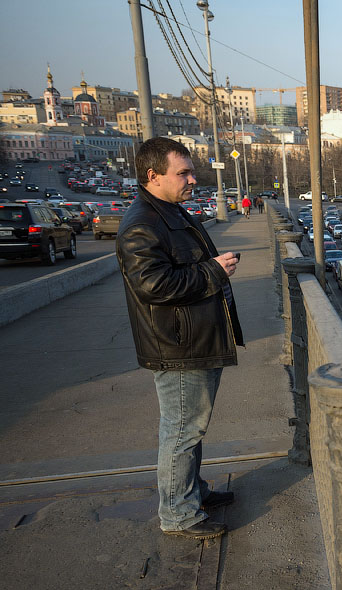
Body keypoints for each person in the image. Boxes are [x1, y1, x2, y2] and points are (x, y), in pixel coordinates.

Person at [116, 137, 243, 539]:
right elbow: (153, 285)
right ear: (153, 176)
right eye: (183, 173)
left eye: (191, 171)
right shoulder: (142, 224)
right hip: (178, 346)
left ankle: (192, 492)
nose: (193, 179)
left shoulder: (167, 212)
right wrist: (214, 272)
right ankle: (178, 514)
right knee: (181, 432)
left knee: (191, 428)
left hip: (192, 339)